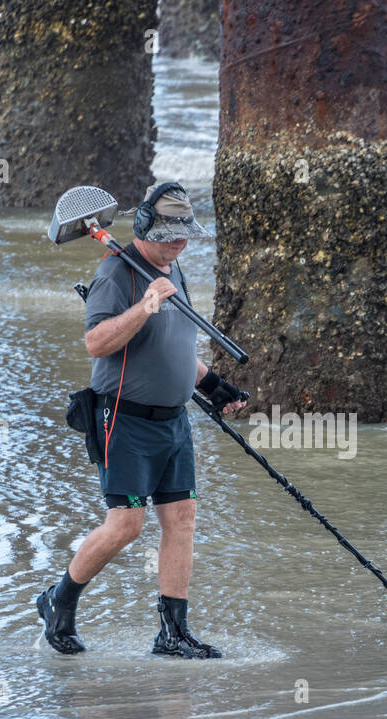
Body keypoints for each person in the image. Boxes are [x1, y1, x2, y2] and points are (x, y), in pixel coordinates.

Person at [37, 182, 247, 658]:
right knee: (126, 526)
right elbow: (96, 342)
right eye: (171, 235)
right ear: (147, 228)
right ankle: (58, 600)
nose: (180, 243)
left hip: (174, 420)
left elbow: (174, 347)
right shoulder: (116, 273)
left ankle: (173, 632)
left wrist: (212, 385)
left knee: (181, 518)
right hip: (123, 421)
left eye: (185, 234)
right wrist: (144, 306)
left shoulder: (172, 270)